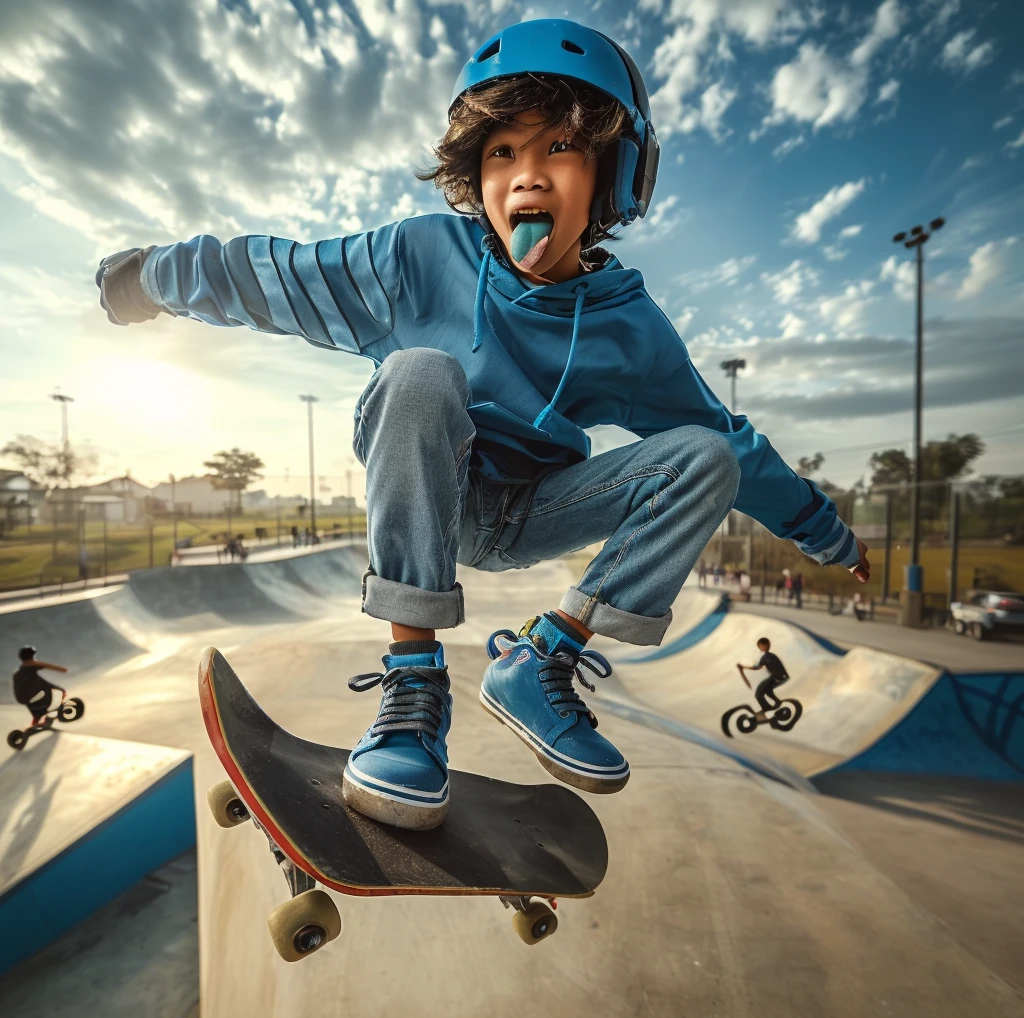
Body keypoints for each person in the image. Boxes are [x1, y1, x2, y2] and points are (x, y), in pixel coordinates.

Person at [95, 19, 870, 831]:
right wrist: (150, 276)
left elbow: (730, 440)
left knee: (706, 457)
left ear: (613, 176)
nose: (527, 179)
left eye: (560, 150)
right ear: (476, 173)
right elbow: (272, 275)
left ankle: (540, 663)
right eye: (503, 154)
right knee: (421, 372)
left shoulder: (630, 328)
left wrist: (824, 533)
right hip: (433, 491)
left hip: (535, 512)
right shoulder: (417, 261)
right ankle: (413, 690)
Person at [12, 646, 68, 727]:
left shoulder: (17, 672)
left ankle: (36, 719)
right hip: (33, 694)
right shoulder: (31, 664)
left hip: (21, 698)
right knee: (58, 691)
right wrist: (63, 670)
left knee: (37, 700)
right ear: (31, 656)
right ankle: (55, 712)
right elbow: (48, 666)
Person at [737, 638, 789, 723]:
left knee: (759, 693)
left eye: (765, 644)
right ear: (760, 648)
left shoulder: (767, 657)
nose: (764, 646)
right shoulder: (770, 656)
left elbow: (757, 667)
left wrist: (744, 667)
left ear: (768, 645)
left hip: (778, 678)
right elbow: (759, 666)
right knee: (767, 689)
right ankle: (777, 702)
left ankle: (766, 708)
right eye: (762, 645)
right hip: (781, 677)